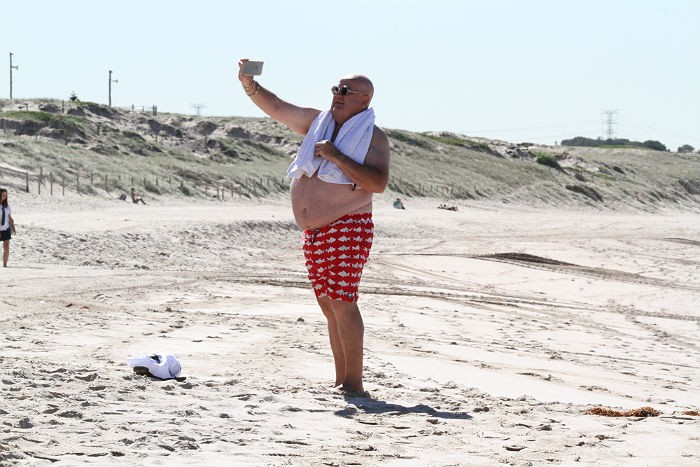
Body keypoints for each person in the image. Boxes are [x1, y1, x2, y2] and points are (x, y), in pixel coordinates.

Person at [237, 59, 390, 393]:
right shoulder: (317, 122)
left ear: (364, 99)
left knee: (343, 301)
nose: (338, 94)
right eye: (336, 88)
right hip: (315, 230)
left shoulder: (373, 137)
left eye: (346, 91)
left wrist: (337, 156)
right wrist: (250, 85)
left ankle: (354, 384)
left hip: (348, 224)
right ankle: (341, 380)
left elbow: (378, 183)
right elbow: (278, 108)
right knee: (328, 305)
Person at [1, 188, 17, 268]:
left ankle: (5, 264)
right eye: (4, 195)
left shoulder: (7, 206)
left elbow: (10, 218)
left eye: (6, 195)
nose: (5, 196)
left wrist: (13, 228)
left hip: (6, 229)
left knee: (6, 245)